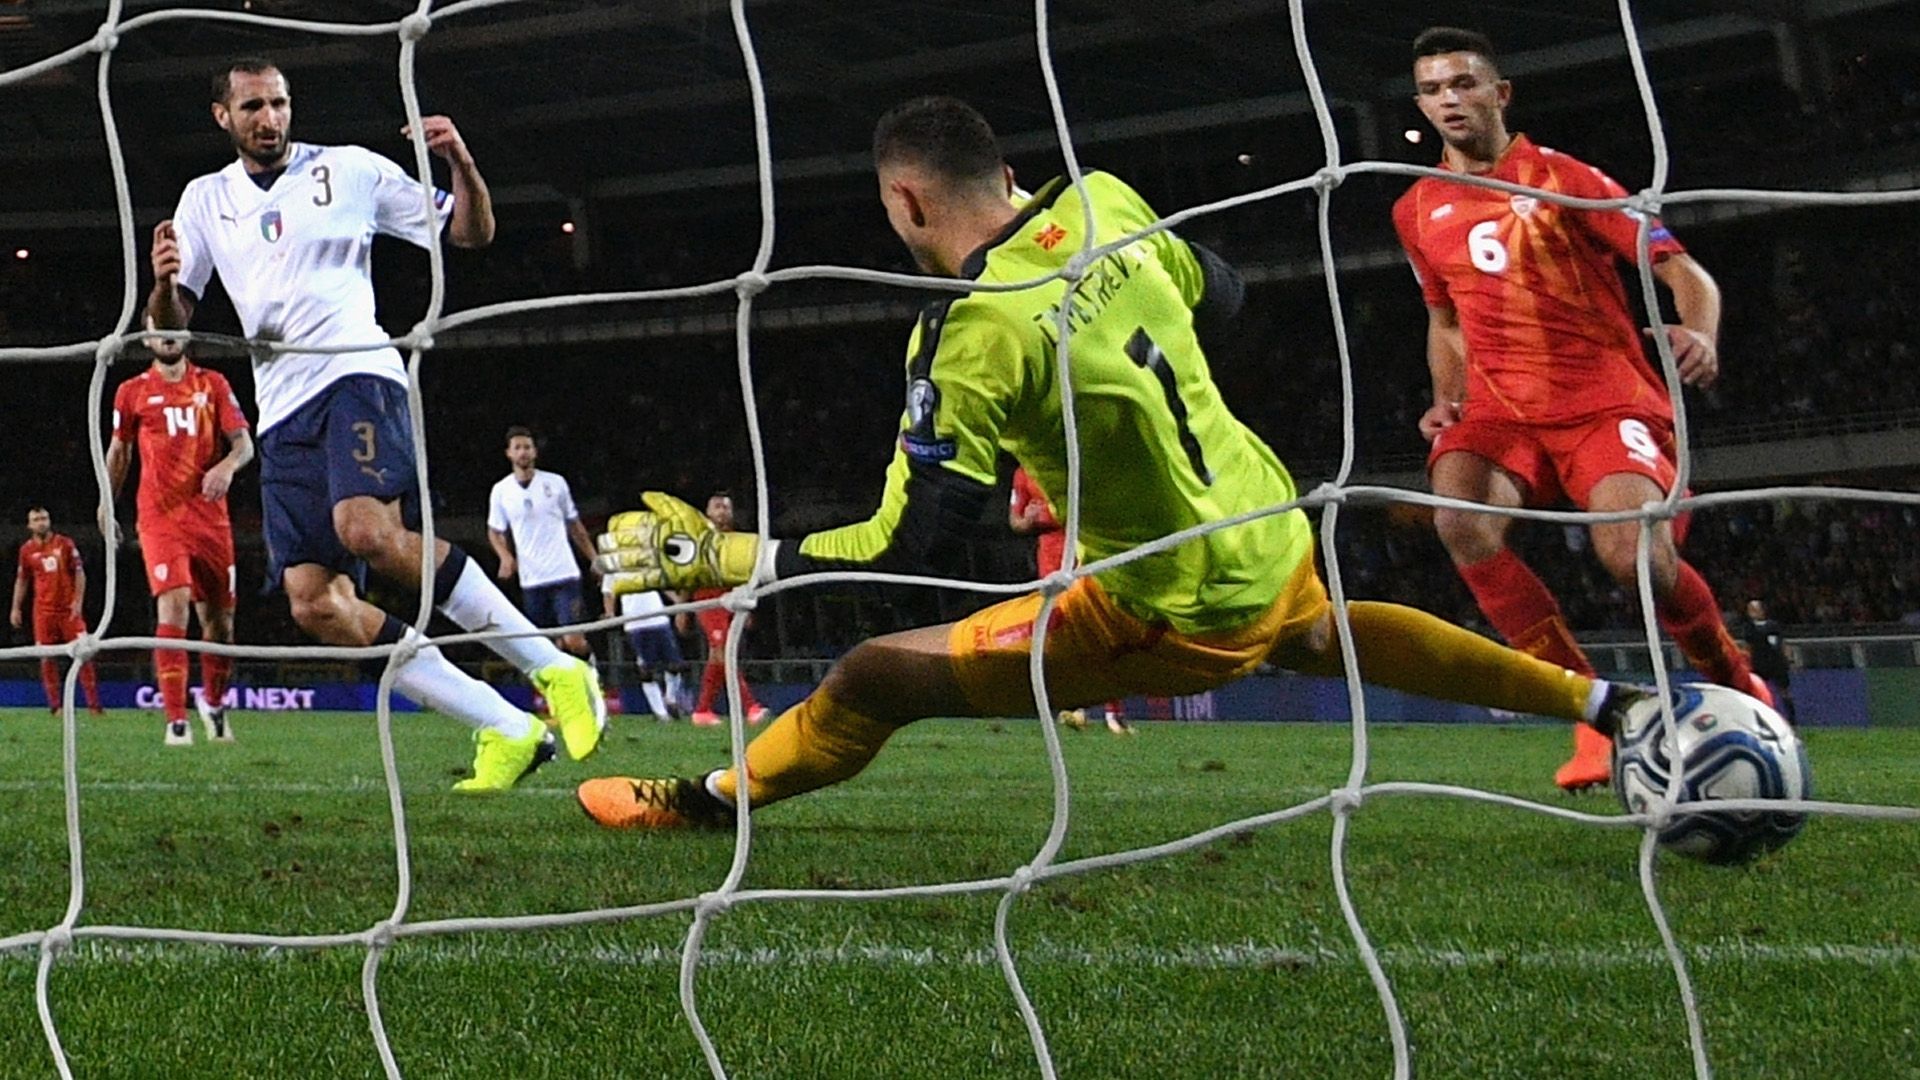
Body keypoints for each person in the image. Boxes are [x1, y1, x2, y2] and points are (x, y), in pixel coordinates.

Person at [576, 96, 1647, 830]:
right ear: (1007, 170)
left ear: (905, 204)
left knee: (873, 675)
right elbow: (1222, 294)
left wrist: (726, 555)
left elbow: (910, 544)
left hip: (1169, 602)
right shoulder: (1105, 198)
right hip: (1265, 521)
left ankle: (707, 804)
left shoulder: (970, 334)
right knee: (1321, 630)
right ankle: (1608, 705)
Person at [146, 56, 604, 791]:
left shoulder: (352, 170)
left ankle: (554, 667)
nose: (270, 119)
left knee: (366, 530)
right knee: (315, 603)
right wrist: (165, 281)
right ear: (223, 118)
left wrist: (462, 162)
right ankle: (505, 725)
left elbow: (470, 233)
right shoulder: (204, 200)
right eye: (254, 107)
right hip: (283, 408)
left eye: (280, 103)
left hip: (357, 372)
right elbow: (169, 332)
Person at [1391, 27, 1765, 793]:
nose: (1448, 101)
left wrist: (1699, 330)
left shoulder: (1566, 180)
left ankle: (1731, 673)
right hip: (1501, 410)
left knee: (1633, 559)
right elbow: (1447, 321)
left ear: (1500, 94)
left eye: (1463, 84)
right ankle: (1594, 714)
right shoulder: (1417, 206)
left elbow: (1681, 269)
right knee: (1456, 516)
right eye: (1432, 90)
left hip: (1602, 400)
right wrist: (1446, 399)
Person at [105, 322, 253, 744]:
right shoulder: (131, 391)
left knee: (220, 623)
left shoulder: (214, 384)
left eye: (176, 328)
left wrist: (226, 467)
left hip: (211, 519)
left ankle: (215, 702)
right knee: (174, 606)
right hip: (159, 517)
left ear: (188, 335)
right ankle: (176, 720)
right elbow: (120, 451)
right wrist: (106, 501)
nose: (168, 337)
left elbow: (243, 444)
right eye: (159, 330)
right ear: (147, 340)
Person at [1008, 465, 1131, 735]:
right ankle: (1076, 708)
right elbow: (1015, 522)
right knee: (1065, 635)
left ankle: (1114, 712)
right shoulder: (1022, 473)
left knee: (1102, 629)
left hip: (1088, 558)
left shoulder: (1076, 464)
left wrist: (1054, 513)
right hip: (1051, 567)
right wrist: (1028, 520)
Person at [487, 426, 599, 659]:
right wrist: (505, 557)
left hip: (564, 574)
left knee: (573, 640)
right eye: (517, 448)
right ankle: (559, 692)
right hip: (532, 580)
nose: (523, 452)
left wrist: (594, 558)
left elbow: (575, 525)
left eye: (527, 447)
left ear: (535, 452)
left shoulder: (556, 483)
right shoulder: (501, 491)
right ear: (509, 453)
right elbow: (495, 531)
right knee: (547, 646)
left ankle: (592, 669)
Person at [686, 491, 769, 727]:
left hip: (731, 601)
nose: (722, 512)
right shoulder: (698, 538)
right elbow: (686, 575)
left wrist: (748, 607)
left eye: (726, 507)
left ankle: (702, 710)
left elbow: (742, 578)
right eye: (717, 507)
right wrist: (682, 609)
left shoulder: (736, 540)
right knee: (724, 650)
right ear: (708, 513)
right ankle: (751, 707)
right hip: (707, 602)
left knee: (718, 656)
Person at [11, 508, 102, 715]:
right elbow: (22, 579)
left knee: (84, 654)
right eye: (36, 520)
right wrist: (15, 607)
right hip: (43, 612)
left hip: (69, 611)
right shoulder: (27, 550)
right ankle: (55, 707)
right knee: (46, 658)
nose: (41, 523)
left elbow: (80, 573)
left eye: (44, 518)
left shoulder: (65, 544)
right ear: (29, 525)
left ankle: (94, 706)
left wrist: (78, 602)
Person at [604, 575, 684, 722]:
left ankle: (671, 699)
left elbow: (659, 581)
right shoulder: (615, 566)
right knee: (647, 669)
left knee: (675, 664)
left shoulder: (644, 559)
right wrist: (610, 613)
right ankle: (660, 713)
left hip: (659, 619)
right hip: (635, 624)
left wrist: (676, 600)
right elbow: (608, 591)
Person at [1740, 599, 1796, 725]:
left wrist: (1789, 660)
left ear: (1762, 610)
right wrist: (1746, 663)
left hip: (1777, 662)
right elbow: (1747, 647)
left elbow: (1782, 643)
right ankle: (1761, 719)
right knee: (1759, 691)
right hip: (1759, 663)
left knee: (1784, 690)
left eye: (1755, 609)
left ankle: (1792, 720)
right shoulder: (1749, 628)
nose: (1752, 612)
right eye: (1750, 609)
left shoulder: (1773, 625)